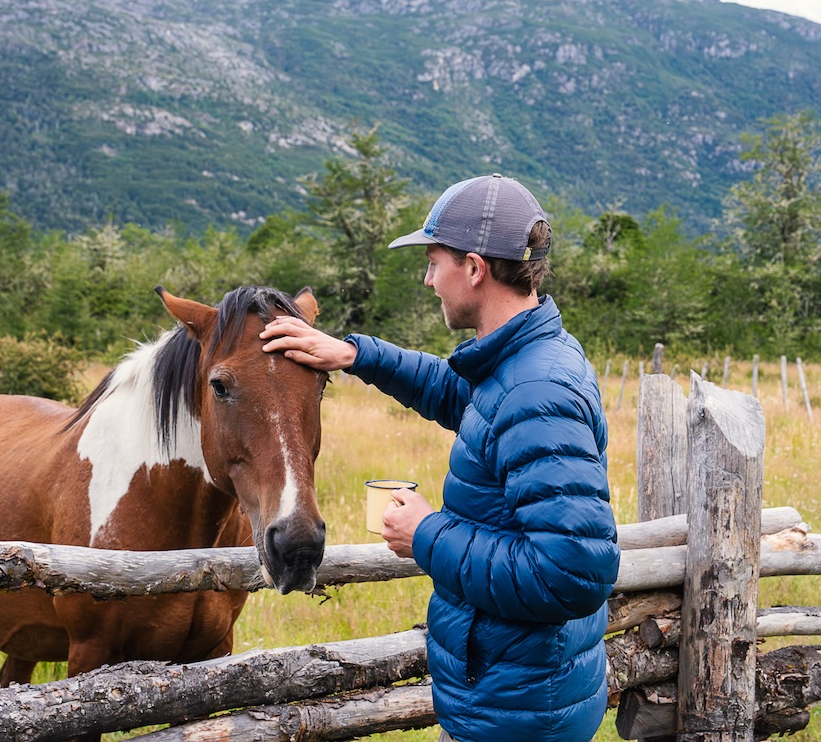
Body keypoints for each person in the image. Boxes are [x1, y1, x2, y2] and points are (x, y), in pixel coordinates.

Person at [260, 173, 620, 742]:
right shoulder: (522, 361)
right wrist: (354, 354)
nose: (428, 280)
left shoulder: (536, 391)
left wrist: (426, 533)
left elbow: (571, 574)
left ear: (474, 268)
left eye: (433, 263)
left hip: (519, 717)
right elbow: (461, 395)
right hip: (513, 696)